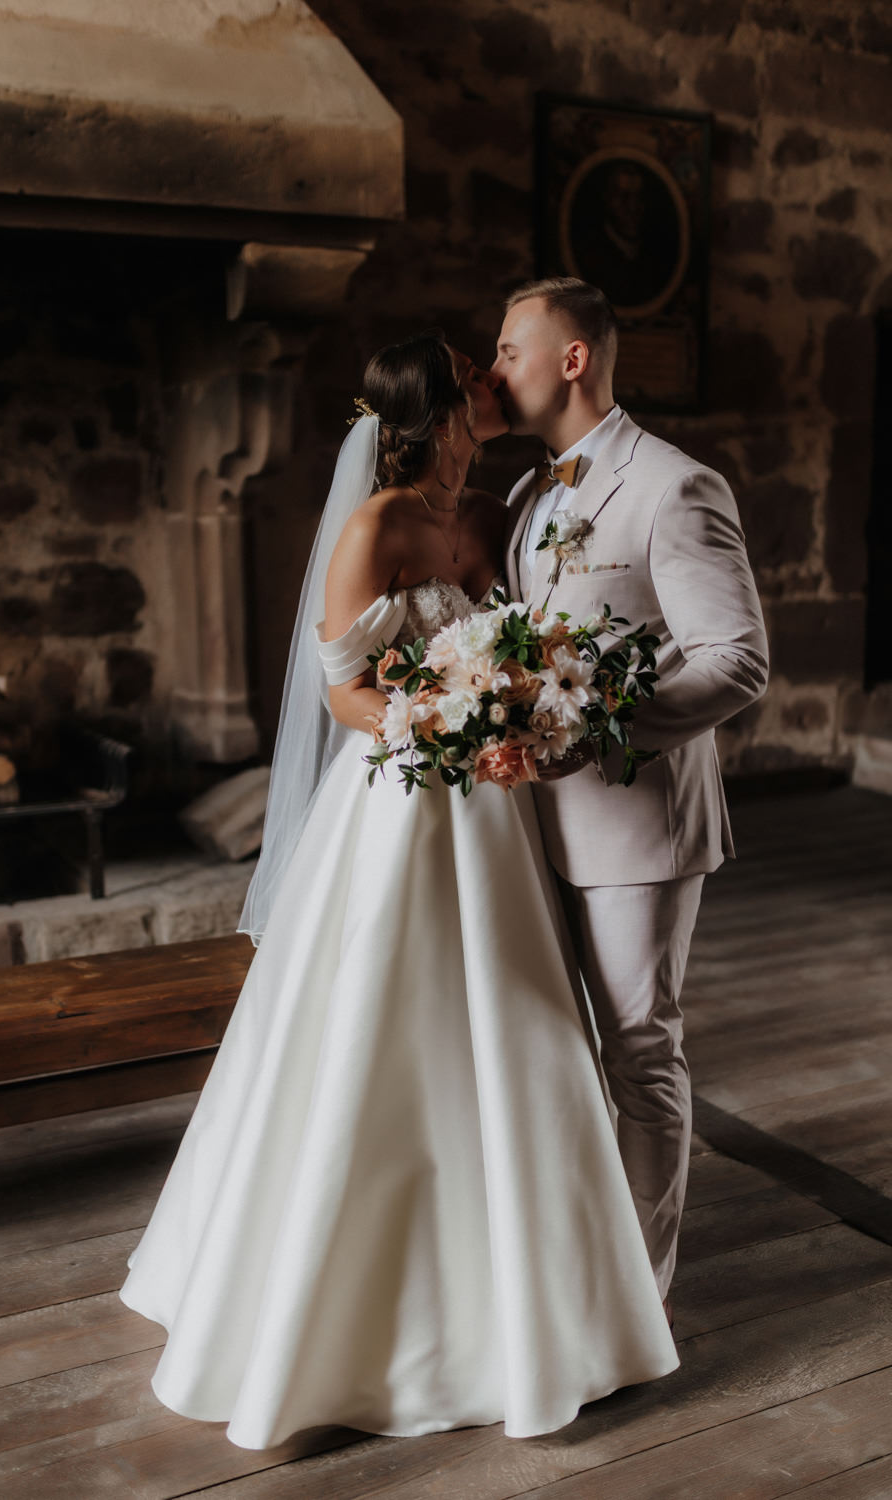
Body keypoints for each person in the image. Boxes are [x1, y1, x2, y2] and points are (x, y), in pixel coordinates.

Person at [119, 331, 678, 1451]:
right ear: (439, 416)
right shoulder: (373, 526)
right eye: (476, 391)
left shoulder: (487, 520)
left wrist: (506, 716)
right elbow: (340, 694)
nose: (491, 398)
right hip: (399, 808)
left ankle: (535, 1297)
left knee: (515, 1033)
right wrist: (439, 725)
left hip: (492, 819)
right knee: (375, 1025)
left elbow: (511, 645)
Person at [492, 277, 769, 1322]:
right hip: (531, 832)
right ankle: (569, 1273)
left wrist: (585, 728)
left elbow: (736, 662)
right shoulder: (526, 499)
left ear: (573, 358)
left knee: (641, 1050)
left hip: (640, 826)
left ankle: (631, 1308)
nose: (496, 364)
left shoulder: (674, 485)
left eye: (512, 345)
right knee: (564, 1056)